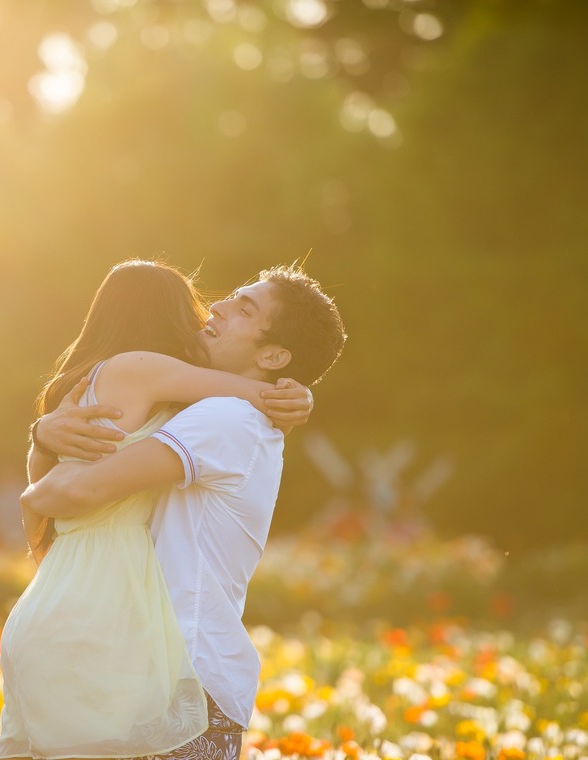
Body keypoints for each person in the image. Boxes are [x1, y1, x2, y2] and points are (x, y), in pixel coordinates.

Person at [23, 264, 346, 760]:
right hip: (140, 676)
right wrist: (44, 435)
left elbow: (87, 489)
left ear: (275, 354)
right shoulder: (189, 406)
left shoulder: (228, 417)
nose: (217, 306)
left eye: (245, 308)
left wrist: (36, 496)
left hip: (183, 682)